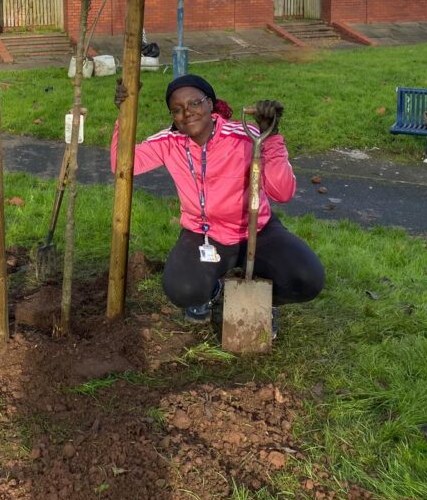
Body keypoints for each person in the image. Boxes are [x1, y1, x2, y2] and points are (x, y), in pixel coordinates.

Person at [111, 74, 324, 332]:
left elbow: (282, 192)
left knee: (306, 278)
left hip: (257, 231)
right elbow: (121, 163)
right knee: (183, 289)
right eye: (177, 109)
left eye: (195, 103)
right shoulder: (169, 142)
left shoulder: (245, 136)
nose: (187, 113)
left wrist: (271, 137)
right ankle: (212, 291)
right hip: (203, 235)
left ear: (211, 104)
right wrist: (124, 114)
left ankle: (265, 301)